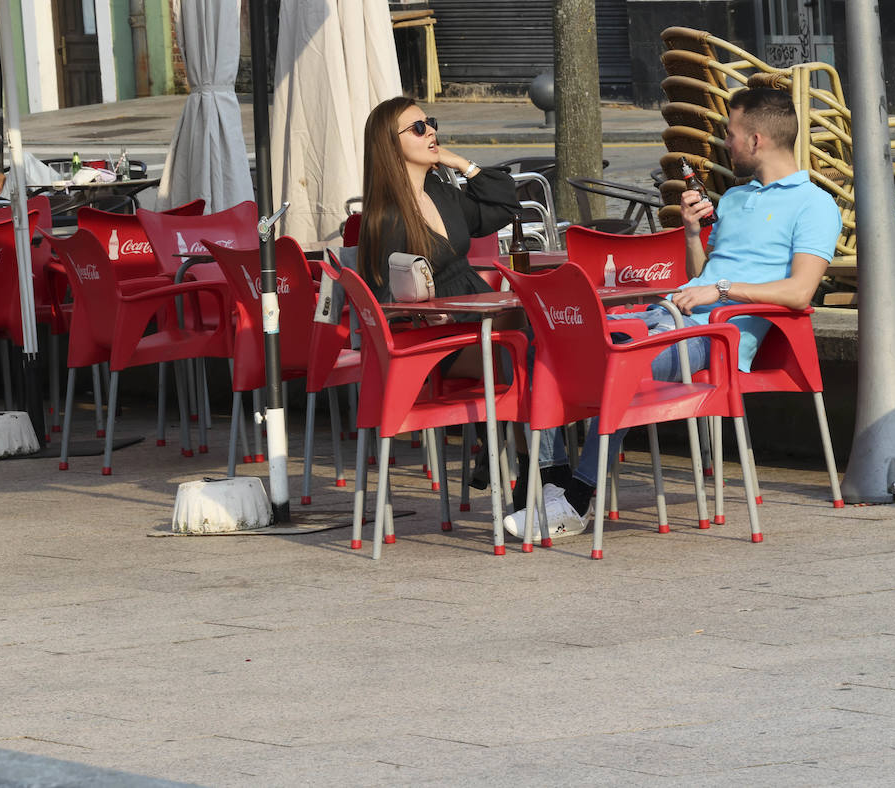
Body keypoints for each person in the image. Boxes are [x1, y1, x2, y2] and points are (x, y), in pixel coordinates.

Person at [503, 85, 844, 541]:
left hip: (714, 339)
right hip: (666, 318)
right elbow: (700, 274)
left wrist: (721, 292)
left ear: (757, 139)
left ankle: (579, 502)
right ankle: (552, 480)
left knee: (618, 364)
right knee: (545, 349)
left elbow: (801, 292)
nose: (726, 142)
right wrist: (689, 234)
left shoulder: (814, 204)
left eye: (732, 133)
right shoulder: (737, 199)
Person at [356, 97, 530, 500]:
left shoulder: (440, 191)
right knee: (522, 349)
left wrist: (458, 163)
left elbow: (505, 204)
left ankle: (518, 459)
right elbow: (384, 301)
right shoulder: (386, 218)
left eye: (430, 123)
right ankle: (530, 470)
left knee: (530, 331)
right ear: (390, 144)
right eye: (418, 128)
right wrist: (424, 315)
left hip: (476, 316)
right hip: (437, 340)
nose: (431, 131)